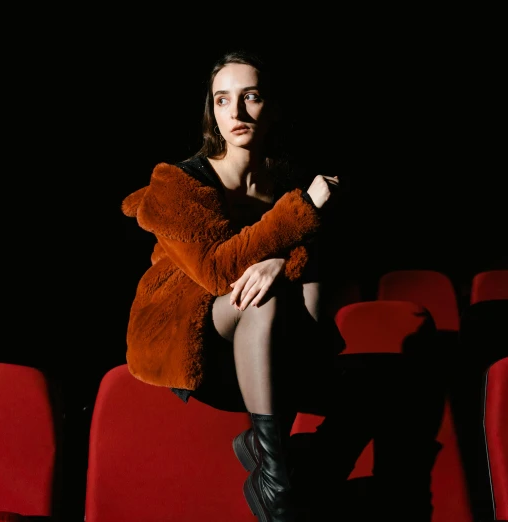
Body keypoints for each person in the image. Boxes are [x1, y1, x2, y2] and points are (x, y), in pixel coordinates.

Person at [121, 49, 346, 522]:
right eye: (223, 101)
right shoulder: (177, 182)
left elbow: (318, 254)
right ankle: (276, 481)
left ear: (273, 108)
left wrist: (279, 262)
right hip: (187, 329)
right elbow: (218, 272)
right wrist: (301, 211)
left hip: (259, 341)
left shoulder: (281, 177)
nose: (237, 113)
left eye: (251, 97)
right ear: (212, 112)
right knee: (258, 299)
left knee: (313, 291)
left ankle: (263, 450)